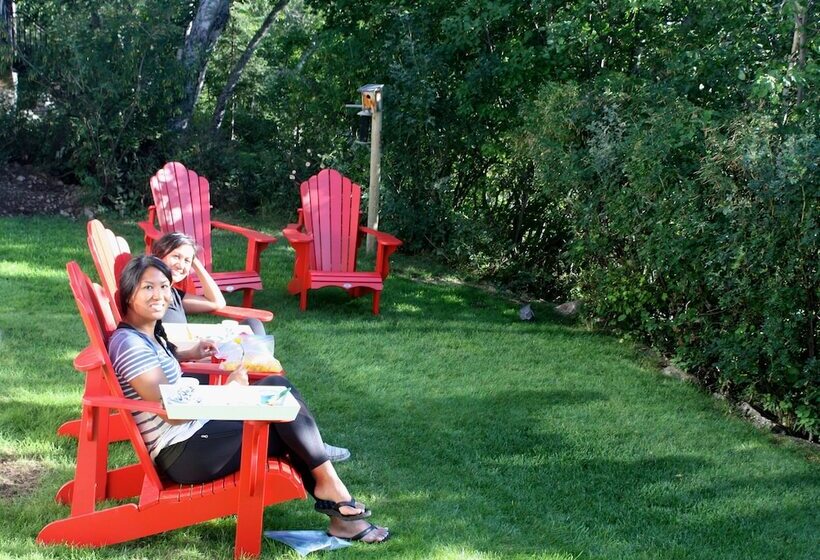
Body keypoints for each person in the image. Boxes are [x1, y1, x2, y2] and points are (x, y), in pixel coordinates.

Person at [107, 255, 389, 543]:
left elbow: (163, 376)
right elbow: (173, 412)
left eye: (165, 286)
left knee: (277, 386)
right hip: (184, 452)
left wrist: (189, 354)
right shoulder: (130, 344)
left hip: (195, 434)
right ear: (129, 294)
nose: (159, 295)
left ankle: (333, 493)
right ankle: (336, 497)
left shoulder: (149, 335)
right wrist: (229, 392)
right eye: (148, 287)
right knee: (286, 420)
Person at [150, 232, 351, 463]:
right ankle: (304, 436)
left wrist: (195, 264)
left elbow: (217, 302)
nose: (181, 264)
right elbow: (163, 345)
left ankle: (262, 388)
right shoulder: (155, 298)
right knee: (268, 377)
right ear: (159, 256)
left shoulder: (174, 294)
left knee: (252, 325)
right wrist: (194, 353)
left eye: (187, 260)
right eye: (176, 256)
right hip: (188, 371)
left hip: (191, 355)